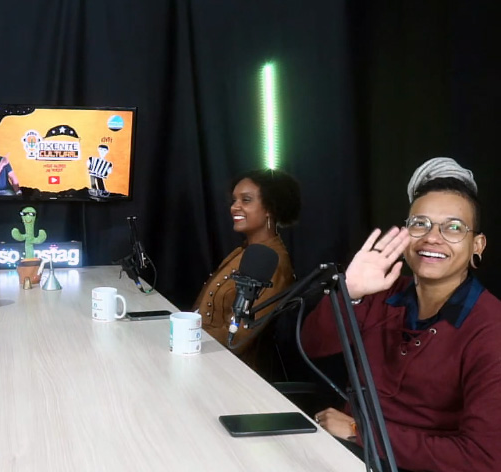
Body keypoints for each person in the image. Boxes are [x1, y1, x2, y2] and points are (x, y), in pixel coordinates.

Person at [302, 157, 501, 471]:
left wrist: (360, 431)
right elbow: (313, 345)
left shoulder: (490, 327)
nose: (432, 237)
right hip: (344, 455)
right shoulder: (382, 291)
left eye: (453, 227)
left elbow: (483, 458)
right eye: (420, 224)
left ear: (477, 244)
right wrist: (349, 293)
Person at [192, 168, 301, 370]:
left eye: (246, 200)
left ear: (270, 208)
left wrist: (188, 336)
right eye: (234, 200)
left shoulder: (271, 262)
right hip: (202, 355)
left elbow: (237, 339)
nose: (235, 207)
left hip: (230, 371)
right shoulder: (245, 251)